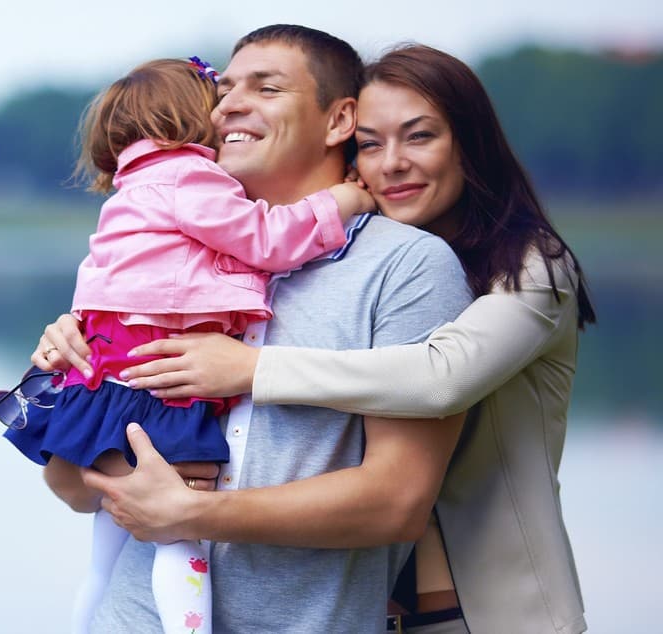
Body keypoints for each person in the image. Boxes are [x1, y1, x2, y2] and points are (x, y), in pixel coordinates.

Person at [86, 44, 596, 634]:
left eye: (420, 137)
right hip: (355, 603)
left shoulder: (527, 268)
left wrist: (252, 370)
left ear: (469, 146)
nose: (392, 164)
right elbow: (80, 477)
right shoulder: (261, 256)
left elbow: (441, 379)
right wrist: (73, 348)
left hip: (475, 611)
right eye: (371, 144)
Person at [33, 25, 474, 633]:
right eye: (224, 91)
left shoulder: (408, 266)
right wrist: (74, 370)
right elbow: (68, 486)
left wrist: (188, 512)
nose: (229, 107)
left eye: (266, 89)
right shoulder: (165, 251)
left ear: (340, 120)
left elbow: (395, 504)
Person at [0, 56, 374, 633]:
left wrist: (76, 323)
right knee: (180, 531)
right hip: (160, 386)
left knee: (106, 553)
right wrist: (342, 202)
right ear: (192, 119)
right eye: (219, 100)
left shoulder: (130, 189)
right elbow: (266, 239)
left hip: (108, 376)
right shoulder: (191, 176)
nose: (228, 113)